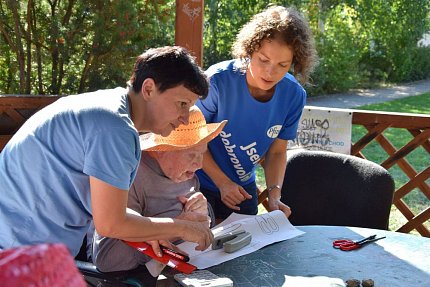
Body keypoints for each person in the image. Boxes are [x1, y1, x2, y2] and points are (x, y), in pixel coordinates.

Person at [0, 46, 214, 257]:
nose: (185, 117)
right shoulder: (115, 127)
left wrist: (153, 231)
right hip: (17, 247)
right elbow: (111, 224)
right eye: (182, 103)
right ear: (148, 89)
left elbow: (108, 210)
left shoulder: (110, 109)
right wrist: (182, 228)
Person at [196, 5, 318, 220]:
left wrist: (274, 194)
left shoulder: (294, 95)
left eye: (282, 65)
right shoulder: (217, 81)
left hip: (243, 186)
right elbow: (193, 138)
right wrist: (222, 183)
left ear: (295, 63)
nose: (270, 72)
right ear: (249, 50)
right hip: (197, 181)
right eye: (263, 60)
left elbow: (277, 152)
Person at [91, 106, 227, 274]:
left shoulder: (185, 173)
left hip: (186, 270)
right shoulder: (129, 175)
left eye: (202, 154)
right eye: (192, 155)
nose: (199, 165)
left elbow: (204, 227)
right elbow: (108, 259)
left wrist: (204, 212)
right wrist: (178, 228)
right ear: (162, 149)